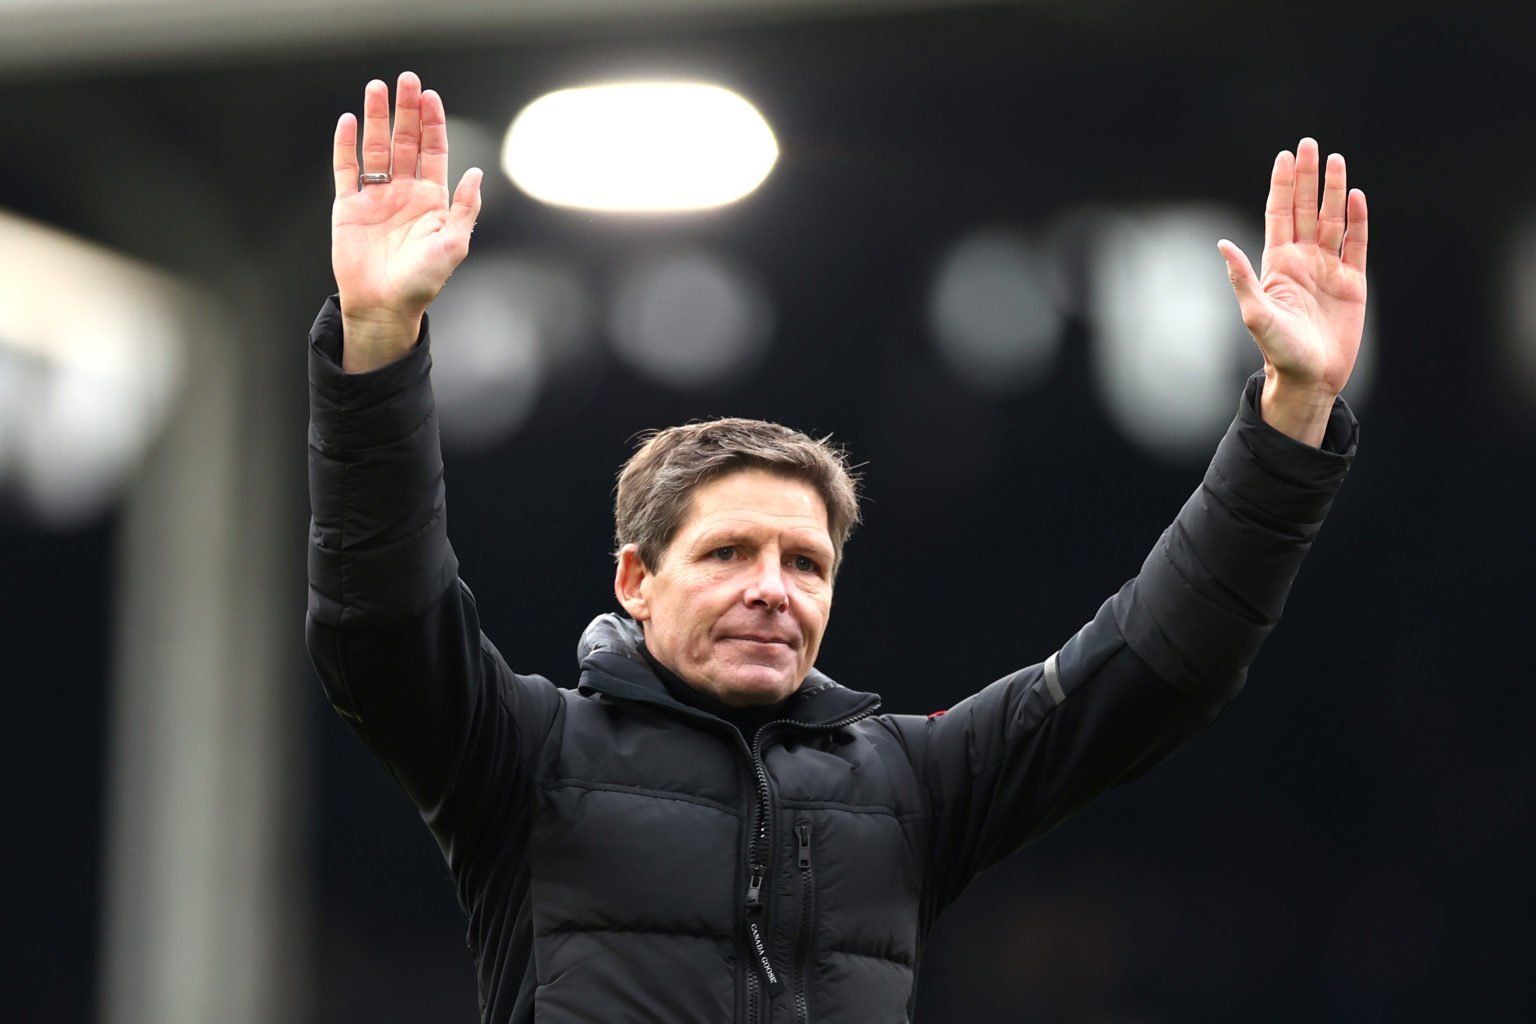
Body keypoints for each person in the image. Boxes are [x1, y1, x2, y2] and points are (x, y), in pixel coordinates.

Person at [306, 72, 1367, 1024]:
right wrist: (380, 345)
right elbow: (385, 619)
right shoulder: (528, 758)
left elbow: (1157, 663)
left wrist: (1294, 412)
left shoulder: (907, 783)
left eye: (804, 563)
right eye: (728, 553)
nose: (772, 588)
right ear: (636, 578)